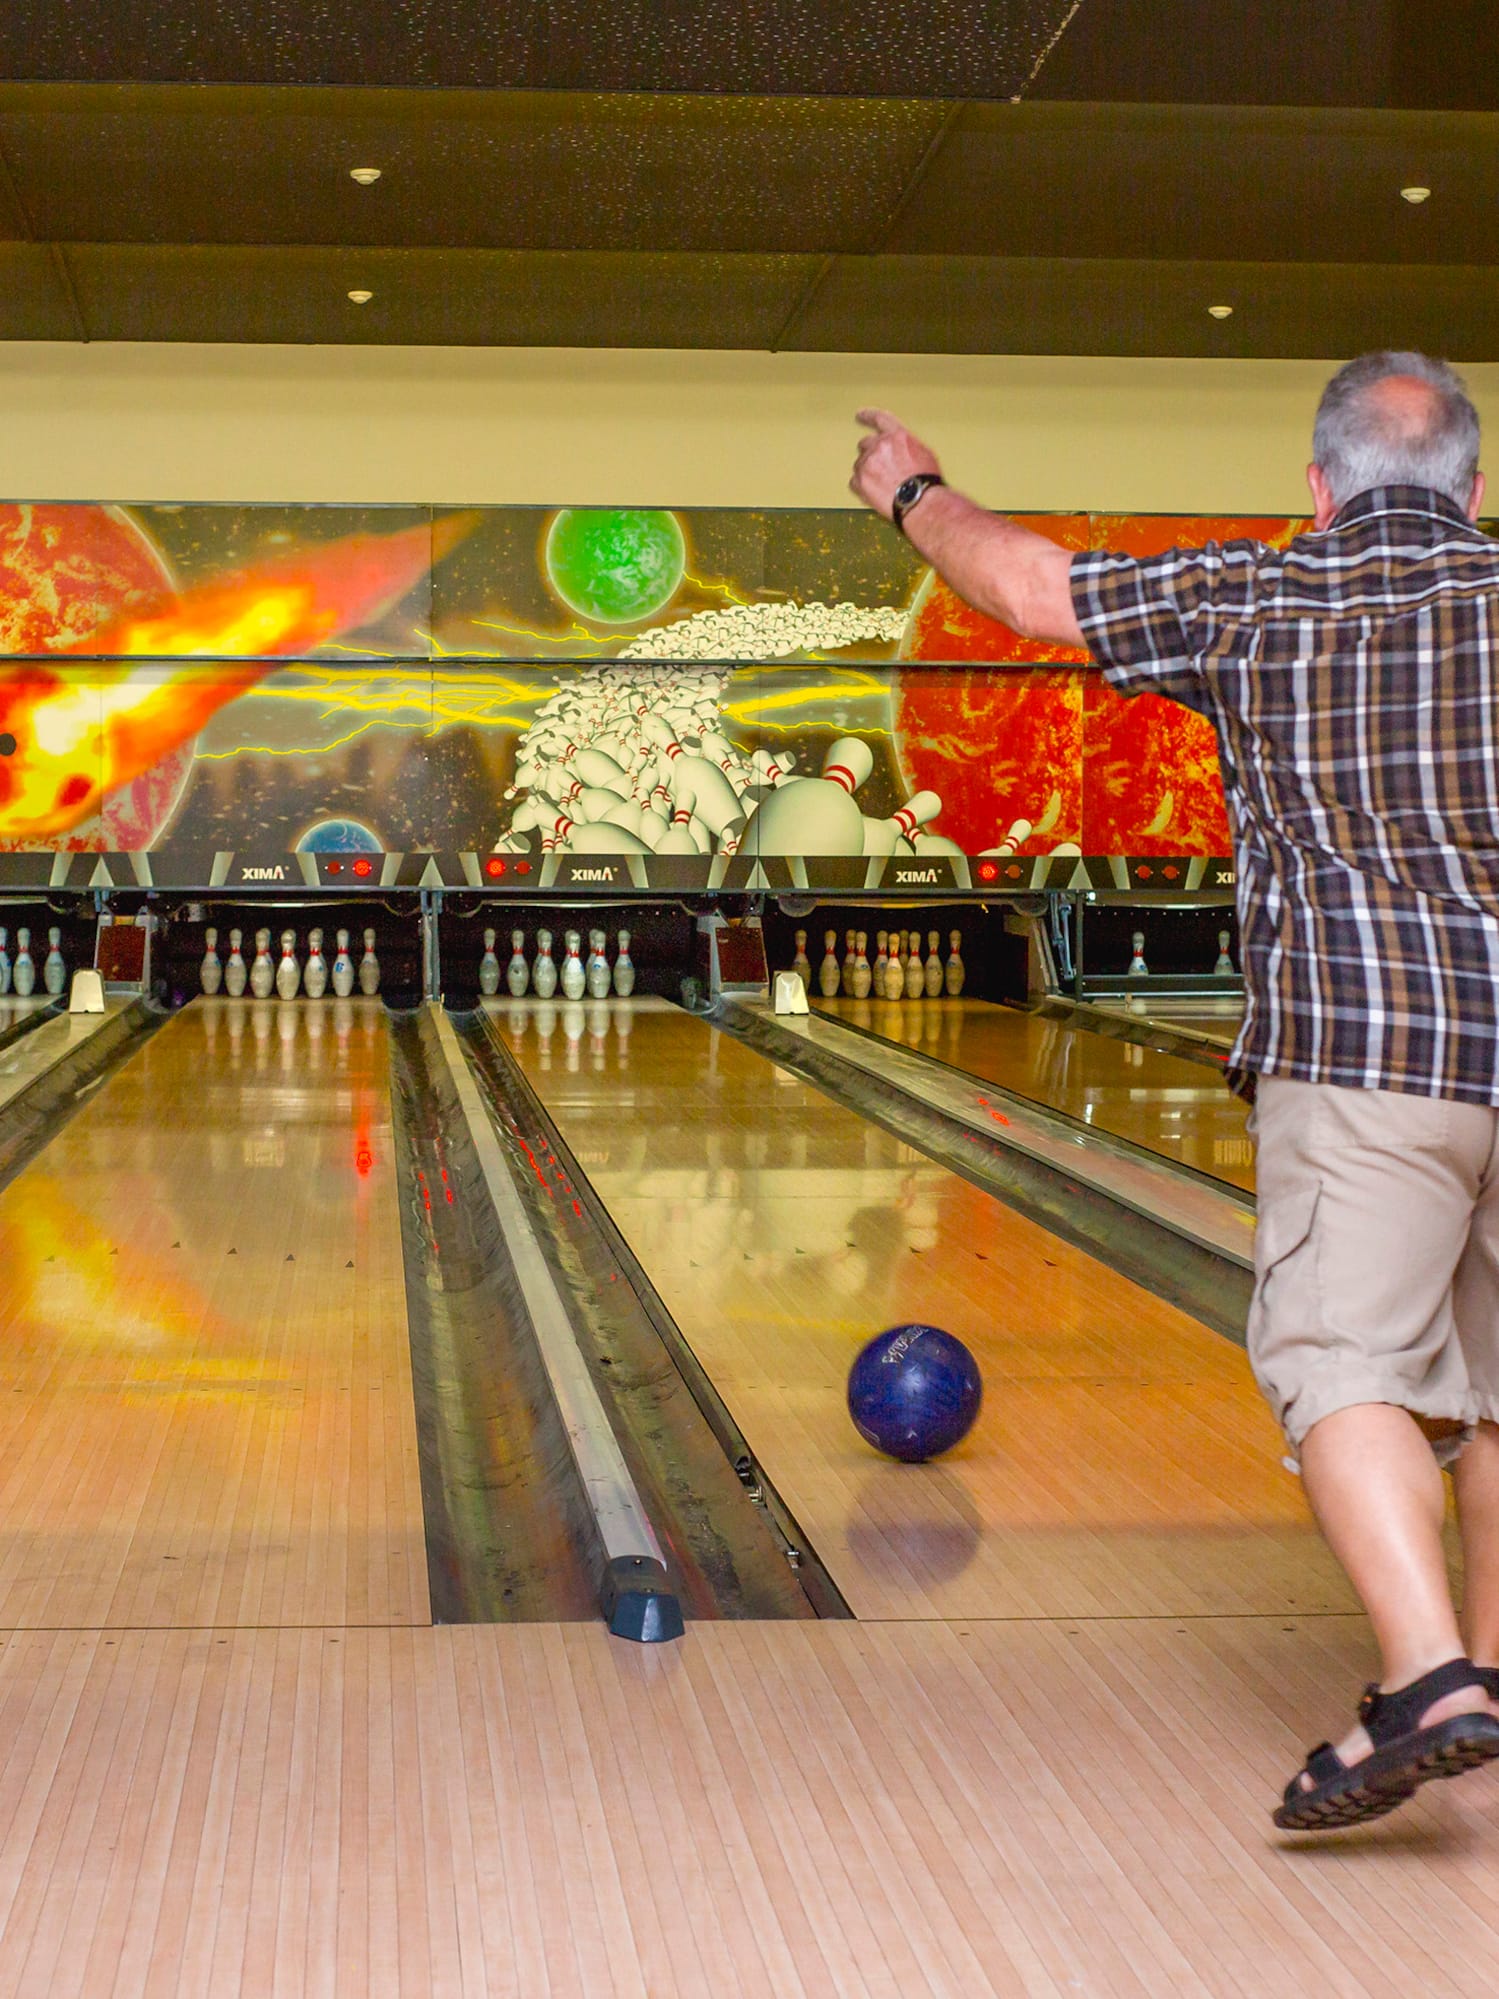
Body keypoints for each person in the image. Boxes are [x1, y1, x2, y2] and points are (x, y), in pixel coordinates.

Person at [850, 352, 1499, 1832]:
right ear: (1474, 488)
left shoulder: (1261, 595)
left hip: (1367, 1052)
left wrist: (914, 494)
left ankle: (1427, 1677)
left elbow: (1028, 588)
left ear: (1320, 487)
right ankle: (1488, 1676)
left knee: (1342, 1362)